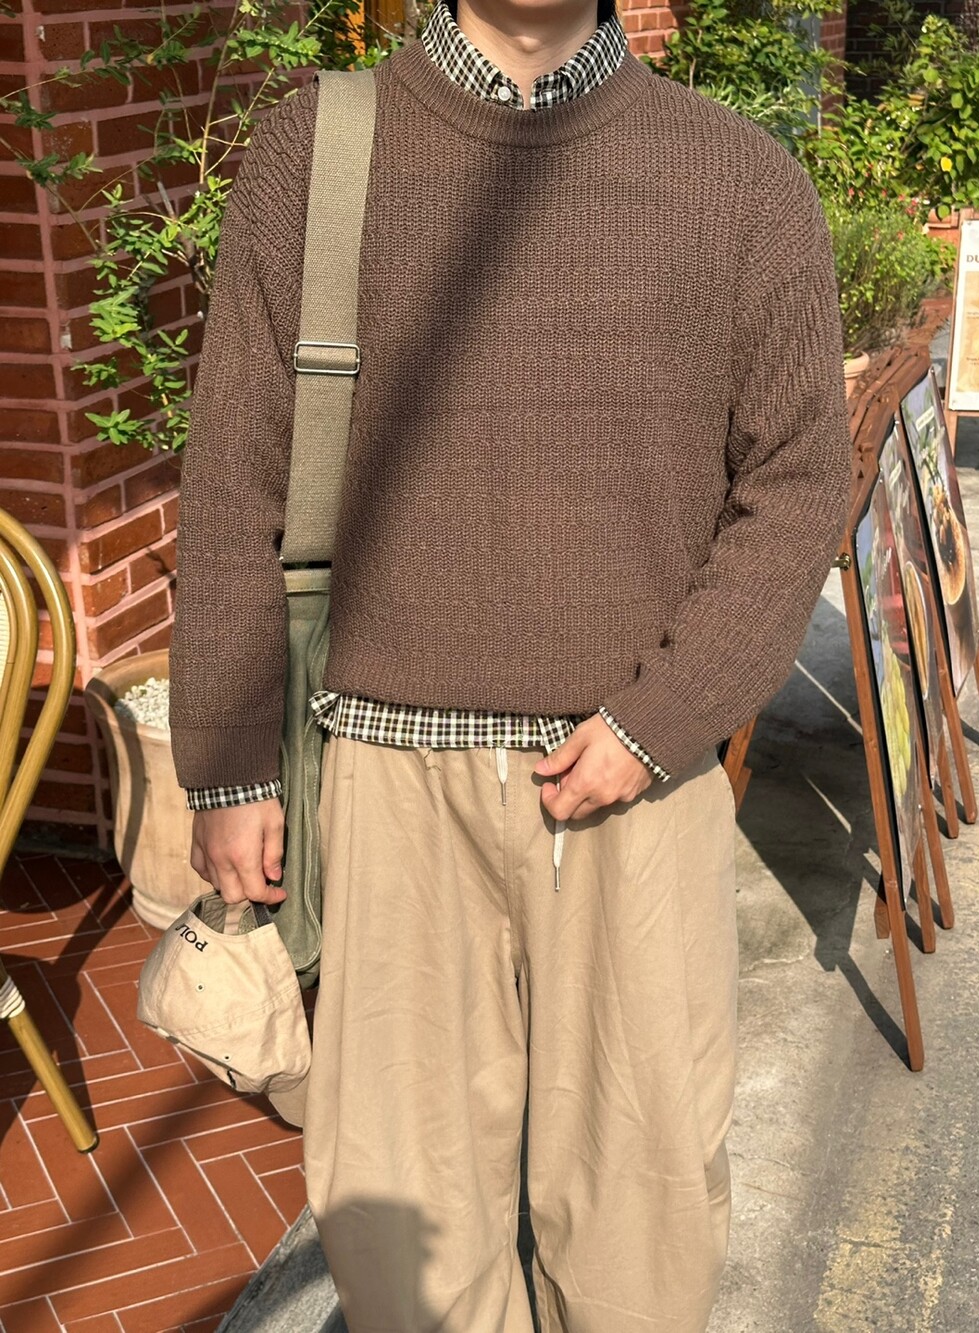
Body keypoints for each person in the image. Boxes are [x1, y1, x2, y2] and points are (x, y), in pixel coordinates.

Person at [168, 0, 852, 1328]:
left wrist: (664, 716)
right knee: (402, 1223)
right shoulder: (318, 152)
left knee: (644, 1211)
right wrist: (230, 765)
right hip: (383, 781)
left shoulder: (738, 178)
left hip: (634, 786)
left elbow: (795, 482)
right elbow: (236, 468)